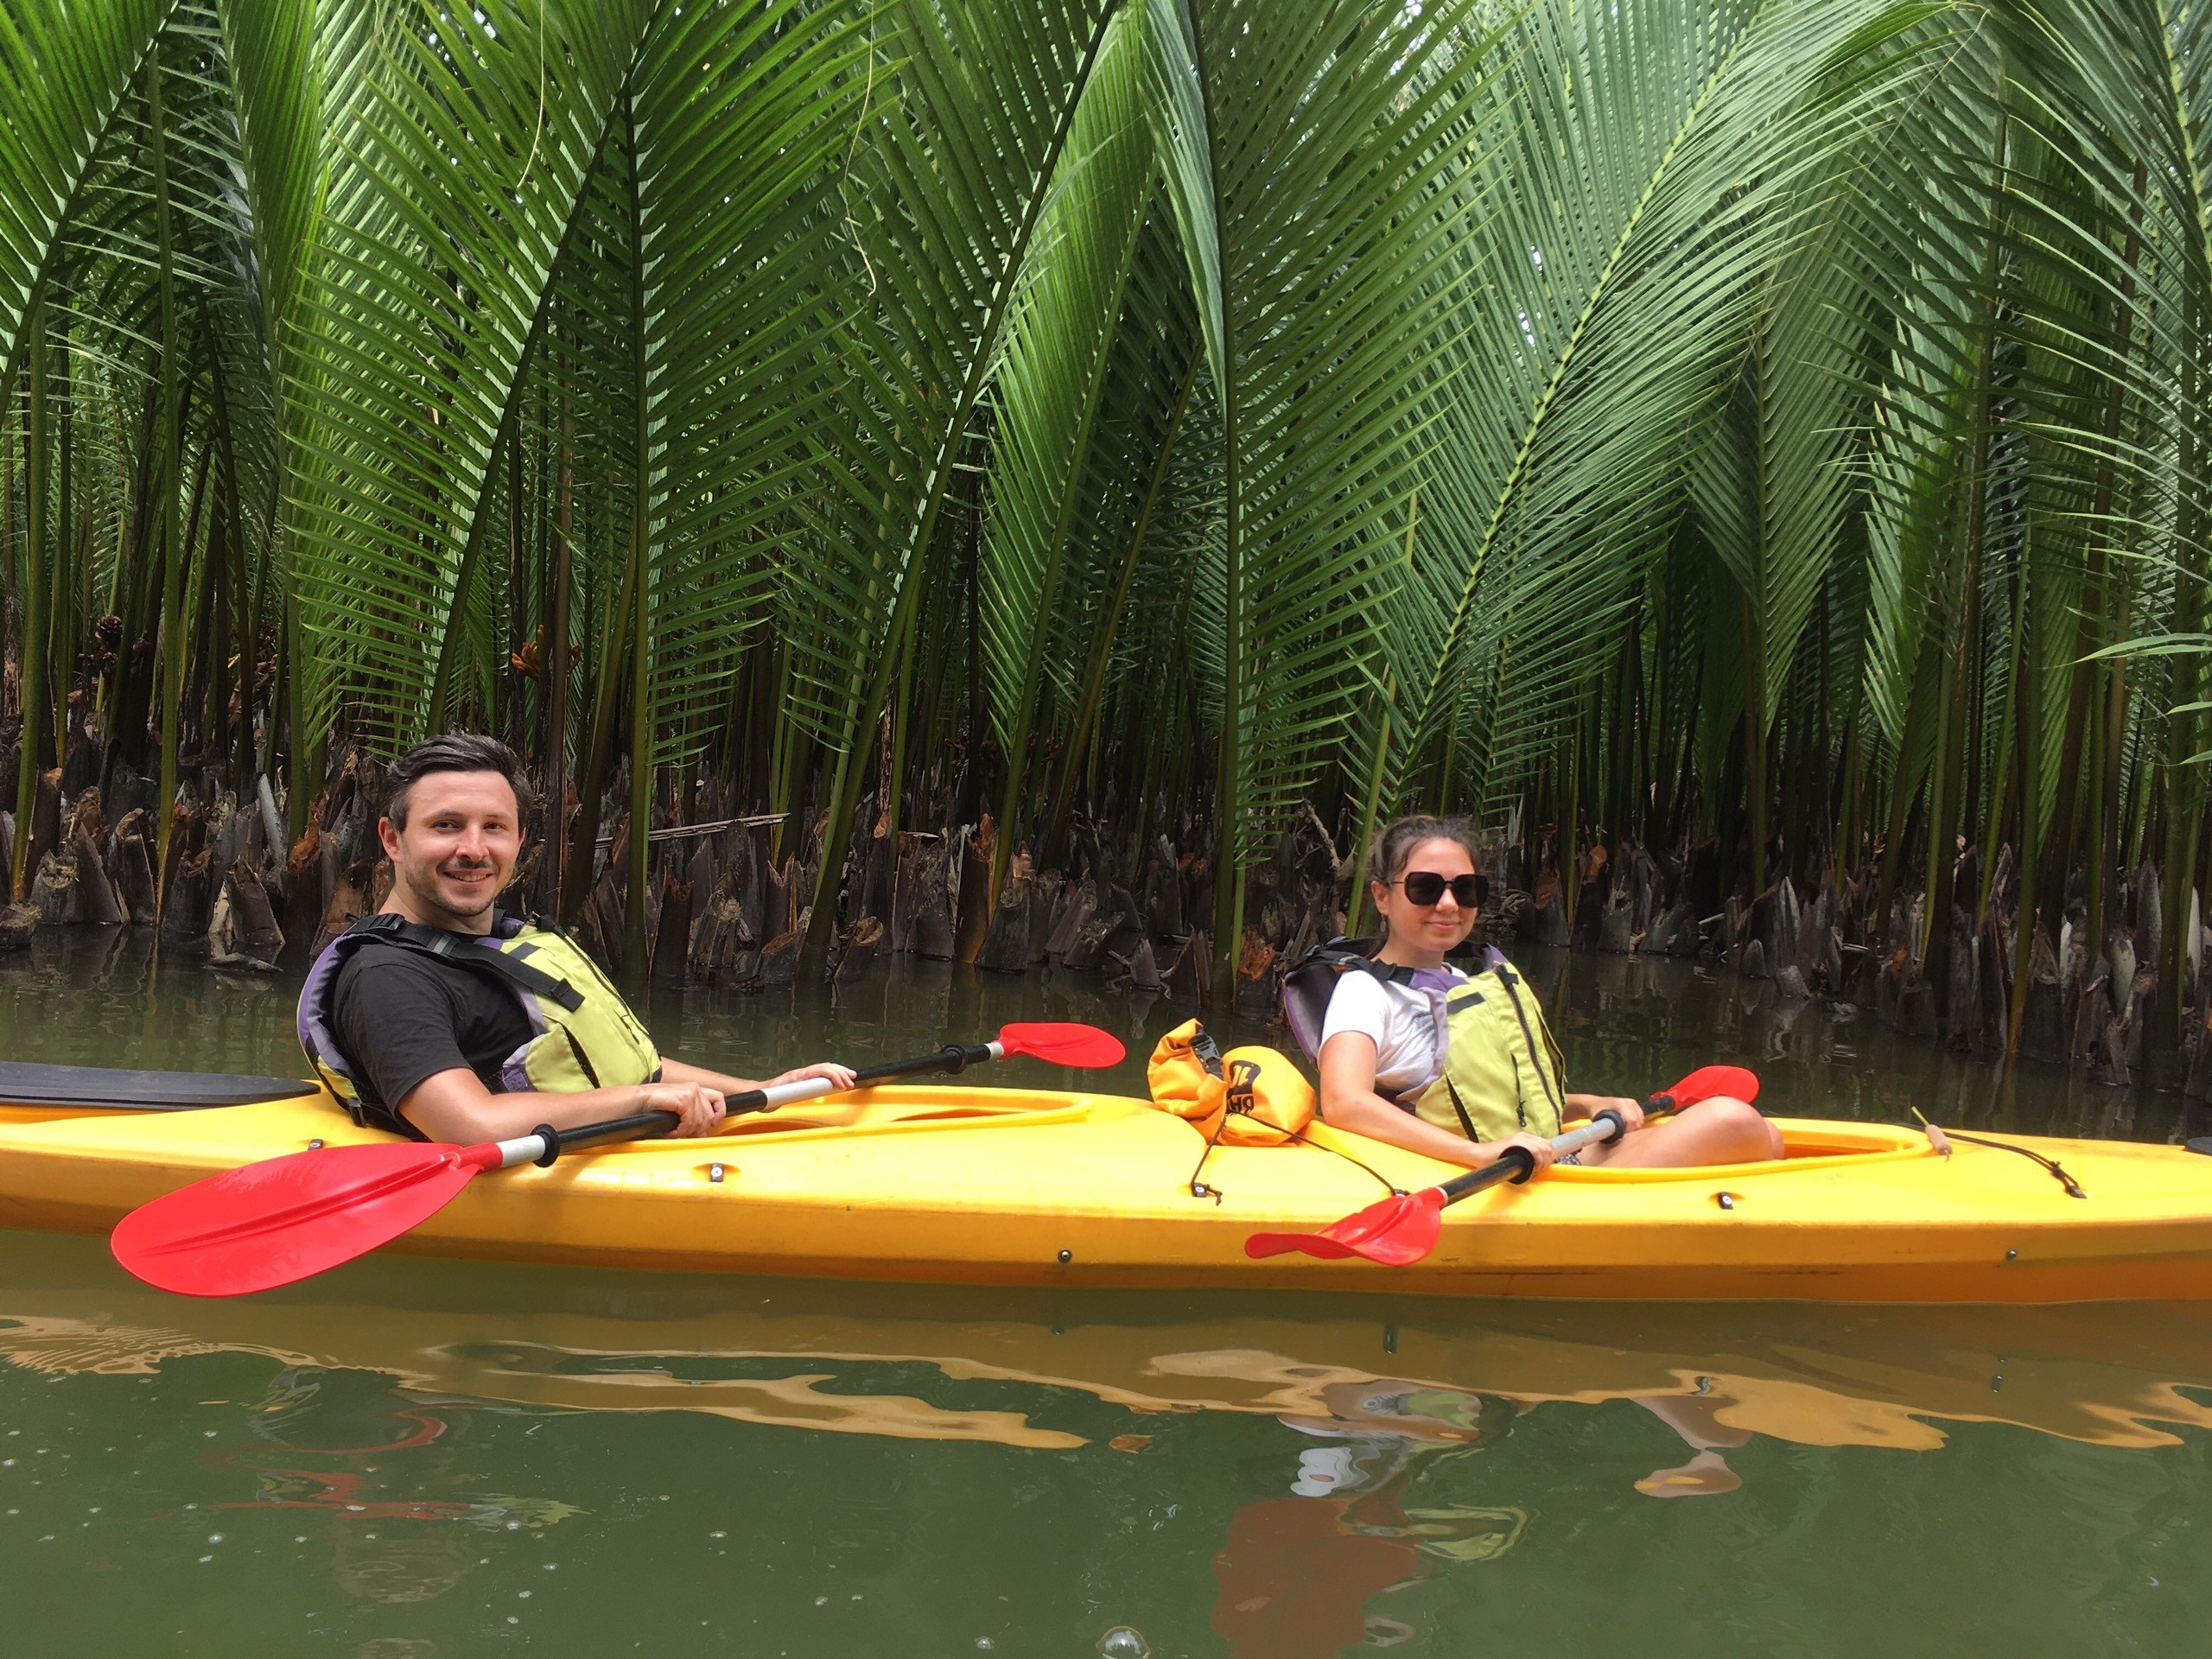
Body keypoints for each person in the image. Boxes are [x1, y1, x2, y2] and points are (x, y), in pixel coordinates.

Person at [297, 733, 852, 1143]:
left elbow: (638, 1068)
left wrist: (766, 1093)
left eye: (494, 826)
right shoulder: (387, 978)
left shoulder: (508, 945)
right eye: (446, 826)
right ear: (393, 840)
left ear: (518, 839)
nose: (474, 848)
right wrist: (643, 1100)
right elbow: (471, 1125)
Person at [1305, 815, 1781, 1176]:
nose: (1448, 904)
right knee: (1730, 1121)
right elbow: (1345, 1103)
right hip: (1490, 1176)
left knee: (1770, 1137)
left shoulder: (1466, 981)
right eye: (1425, 888)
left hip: (1545, 1159)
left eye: (1465, 889)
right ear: (1382, 897)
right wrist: (1475, 1154)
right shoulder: (1365, 991)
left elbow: (1498, 1102)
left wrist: (1588, 1102)